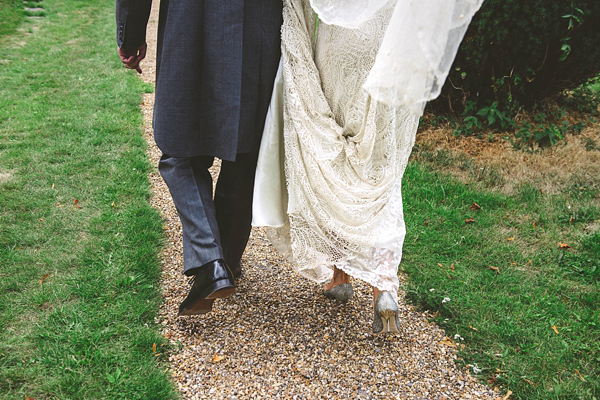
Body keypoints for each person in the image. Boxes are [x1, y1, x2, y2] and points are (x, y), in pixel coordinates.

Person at [252, 0, 482, 333]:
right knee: (379, 164)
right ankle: (383, 284)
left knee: (336, 153)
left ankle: (341, 276)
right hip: (384, 43)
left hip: (336, 44)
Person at [115, 0, 283, 316]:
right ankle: (225, 266)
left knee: (180, 152)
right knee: (244, 154)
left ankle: (211, 262)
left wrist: (130, 33)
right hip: (259, 27)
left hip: (191, 23)